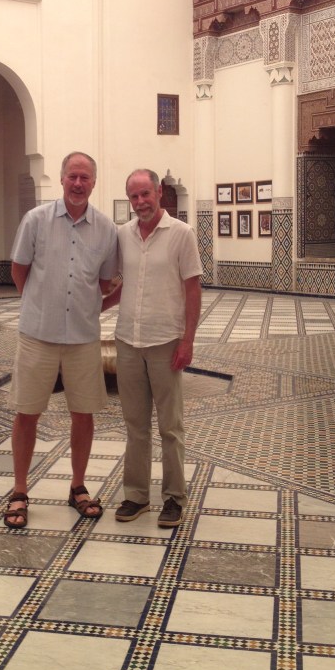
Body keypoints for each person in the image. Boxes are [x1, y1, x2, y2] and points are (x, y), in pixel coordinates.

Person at [3, 152, 118, 529]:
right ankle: (20, 491)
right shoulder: (36, 220)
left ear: (94, 182)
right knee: (27, 412)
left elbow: (104, 283)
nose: (78, 183)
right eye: (73, 176)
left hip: (83, 338)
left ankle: (78, 487)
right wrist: (39, 305)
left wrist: (85, 309)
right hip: (38, 334)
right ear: (62, 178)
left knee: (83, 413)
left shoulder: (105, 229)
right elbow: (19, 270)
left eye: (85, 177)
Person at [102, 169, 202, 528]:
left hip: (165, 342)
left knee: (170, 427)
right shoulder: (123, 235)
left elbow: (192, 289)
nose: (140, 202)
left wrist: (188, 340)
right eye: (134, 196)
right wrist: (99, 306)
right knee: (135, 425)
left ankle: (174, 497)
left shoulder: (182, 234)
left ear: (159, 192)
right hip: (128, 341)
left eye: (145, 194)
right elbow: (124, 284)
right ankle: (136, 496)